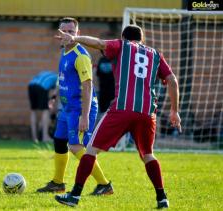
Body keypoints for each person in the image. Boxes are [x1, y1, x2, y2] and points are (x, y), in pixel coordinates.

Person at [54, 25, 181, 209]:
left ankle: (74, 196)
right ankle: (162, 198)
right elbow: (172, 80)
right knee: (148, 155)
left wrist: (75, 39)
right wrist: (174, 111)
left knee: (90, 150)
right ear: (142, 39)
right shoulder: (155, 54)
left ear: (123, 36)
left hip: (121, 109)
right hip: (146, 113)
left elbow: (98, 43)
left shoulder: (122, 45)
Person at [36, 17, 113, 195]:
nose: (67, 34)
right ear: (59, 34)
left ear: (77, 34)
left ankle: (104, 184)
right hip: (67, 107)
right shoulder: (64, 52)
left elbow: (88, 86)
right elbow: (62, 78)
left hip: (80, 107)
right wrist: (55, 98)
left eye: (71, 31)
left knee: (76, 146)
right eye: (63, 31)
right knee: (59, 140)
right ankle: (57, 182)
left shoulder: (81, 56)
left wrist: (85, 116)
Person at [28, 70, 58, 142]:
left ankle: (34, 138)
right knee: (46, 110)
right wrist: (52, 104)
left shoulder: (48, 74)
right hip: (42, 87)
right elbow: (55, 93)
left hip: (31, 85)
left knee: (33, 110)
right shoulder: (59, 78)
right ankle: (45, 137)